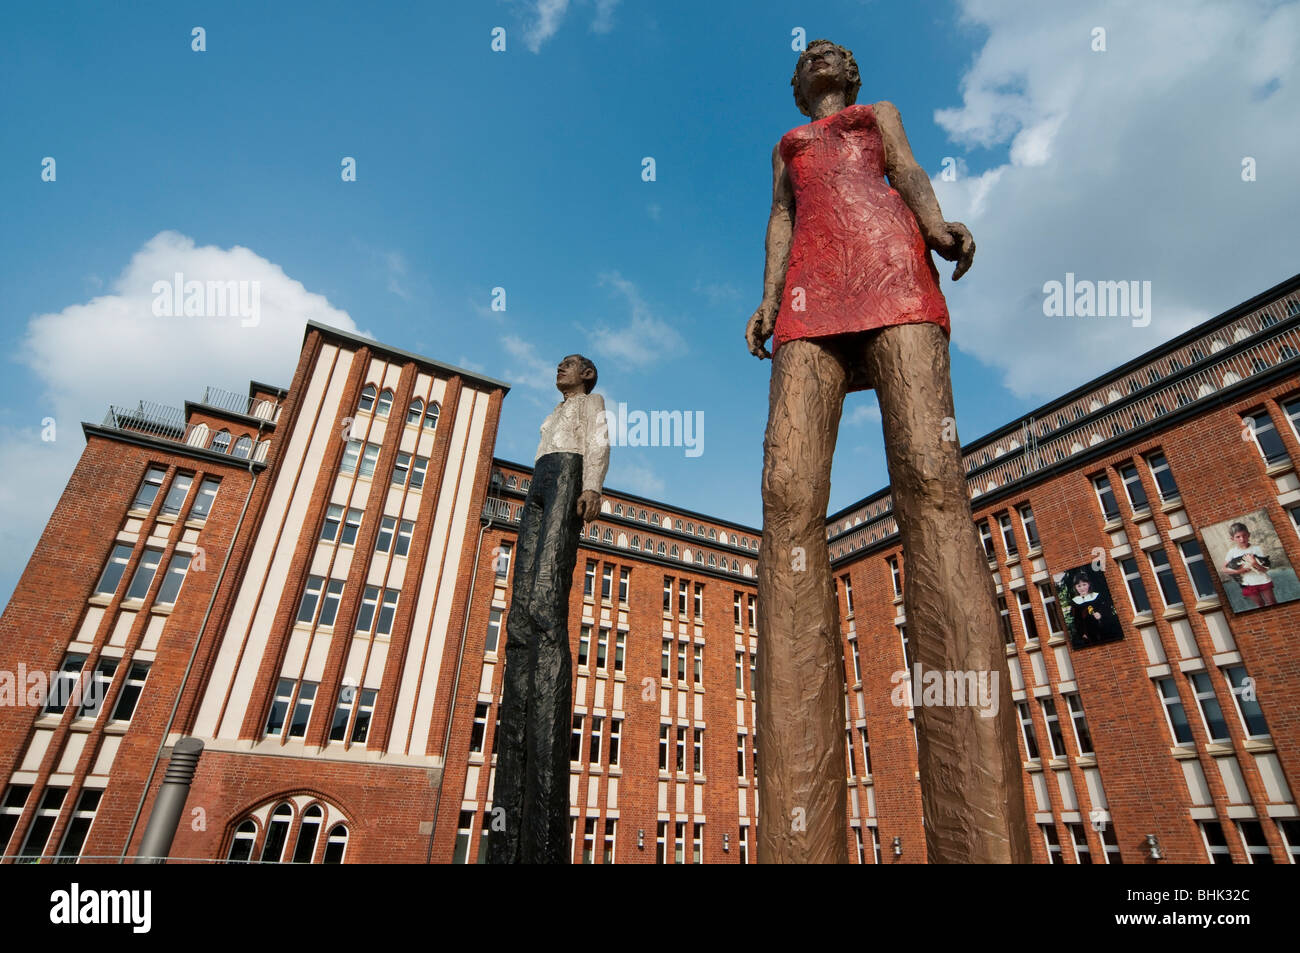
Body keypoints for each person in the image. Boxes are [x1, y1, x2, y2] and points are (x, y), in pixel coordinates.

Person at [745, 39, 1029, 864]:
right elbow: (782, 219)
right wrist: (767, 298)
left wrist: (936, 226)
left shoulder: (879, 116)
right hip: (807, 296)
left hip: (894, 269)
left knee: (931, 475)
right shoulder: (789, 144)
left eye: (839, 53)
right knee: (787, 492)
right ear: (798, 84)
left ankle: (980, 839)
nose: (825, 57)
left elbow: (904, 172)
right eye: (811, 56)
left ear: (852, 79)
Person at [487, 354, 608, 864]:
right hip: (540, 475)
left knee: (546, 580)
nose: (561, 369)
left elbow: (598, 442)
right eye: (558, 363)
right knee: (524, 585)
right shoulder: (552, 412)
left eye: (571, 365)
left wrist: (592, 487)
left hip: (567, 472)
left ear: (587, 376)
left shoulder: (591, 404)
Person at [1223, 522, 1276, 608]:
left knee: (1272, 602)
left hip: (1263, 580)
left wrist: (1254, 563)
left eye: (1244, 535)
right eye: (1238, 537)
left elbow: (1265, 569)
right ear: (1232, 539)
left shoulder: (1256, 549)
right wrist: (1239, 571)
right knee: (1260, 605)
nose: (1242, 539)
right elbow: (1224, 569)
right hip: (1247, 584)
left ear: (1249, 535)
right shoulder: (1232, 552)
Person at [1066, 573, 1122, 647]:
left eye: (1084, 584)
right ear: (1075, 587)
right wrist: (1082, 633)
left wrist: (1100, 614)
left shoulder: (1097, 596)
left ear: (1089, 584)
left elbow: (1106, 609)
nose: (1082, 588)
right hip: (1088, 632)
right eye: (1079, 586)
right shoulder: (1075, 601)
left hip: (1103, 627)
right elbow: (1077, 619)